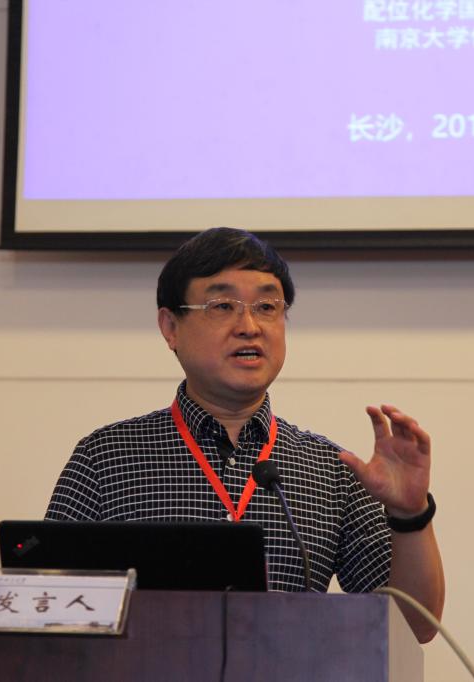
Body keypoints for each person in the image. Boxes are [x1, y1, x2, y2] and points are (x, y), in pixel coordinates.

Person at [46, 227, 445, 642]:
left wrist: (410, 514)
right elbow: (42, 609)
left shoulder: (332, 470)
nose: (249, 326)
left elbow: (413, 625)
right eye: (223, 306)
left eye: (267, 306)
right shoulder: (105, 457)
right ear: (170, 327)